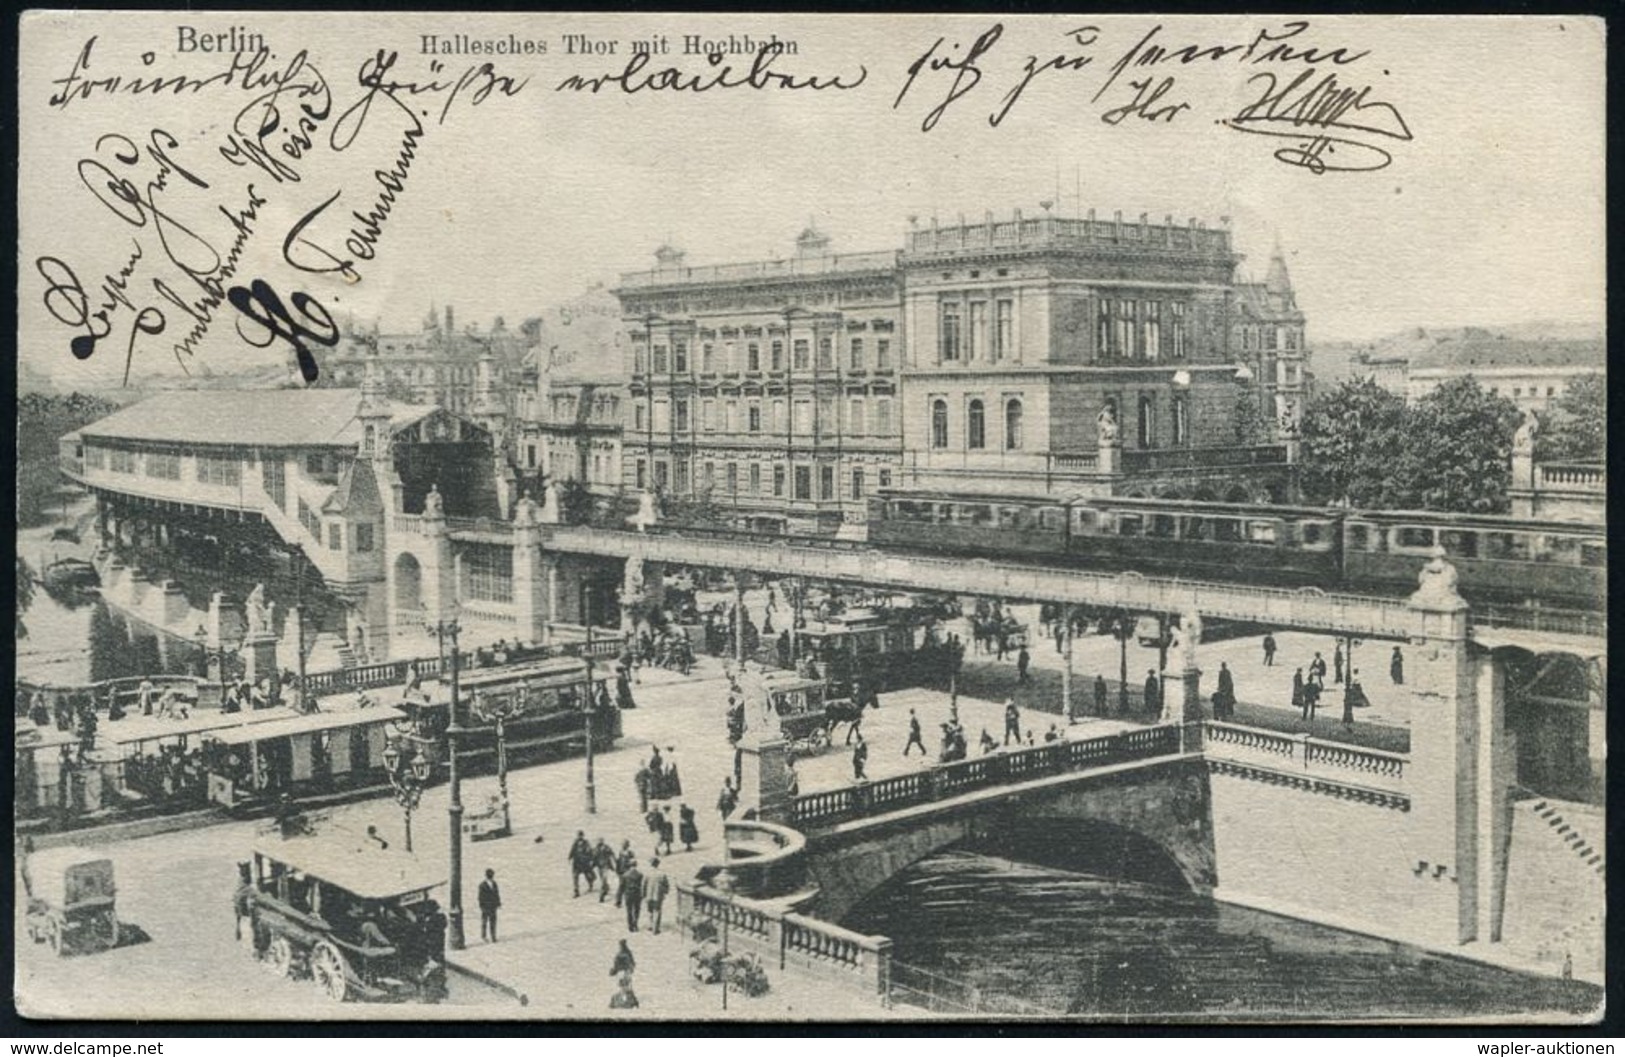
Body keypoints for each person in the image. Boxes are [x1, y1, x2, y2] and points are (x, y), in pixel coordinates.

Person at [645, 857, 671, 934]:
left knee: (650, 911)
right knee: (657, 911)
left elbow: (643, 884)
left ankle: (650, 925)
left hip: (649, 895)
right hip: (658, 896)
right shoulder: (662, 874)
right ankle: (655, 929)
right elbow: (666, 885)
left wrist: (643, 894)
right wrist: (665, 892)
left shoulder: (647, 873)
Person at [568, 831, 595, 898]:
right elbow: (572, 850)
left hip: (584, 863)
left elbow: (590, 851)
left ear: (583, 836)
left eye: (581, 835)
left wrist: (590, 859)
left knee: (587, 875)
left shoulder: (586, 843)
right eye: (579, 835)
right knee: (575, 877)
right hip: (576, 863)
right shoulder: (575, 843)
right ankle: (576, 891)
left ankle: (590, 885)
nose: (579, 837)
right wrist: (570, 857)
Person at [477, 868, 501, 943]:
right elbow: (480, 897)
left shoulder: (494, 884)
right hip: (485, 907)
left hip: (493, 906)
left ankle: (493, 936)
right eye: (490, 875)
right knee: (484, 922)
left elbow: (497, 894)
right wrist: (481, 906)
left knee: (493, 921)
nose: (491, 876)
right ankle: (484, 936)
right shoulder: (482, 885)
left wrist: (498, 903)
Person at [621, 859, 645, 932]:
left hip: (628, 894)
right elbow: (641, 885)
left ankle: (630, 926)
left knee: (629, 911)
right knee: (636, 910)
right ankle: (635, 923)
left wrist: (619, 898)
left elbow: (621, 886)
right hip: (637, 893)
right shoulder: (640, 874)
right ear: (636, 865)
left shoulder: (625, 875)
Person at [594, 838, 617, 902]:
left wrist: (615, 861)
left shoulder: (606, 848)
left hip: (605, 866)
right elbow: (593, 856)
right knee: (602, 880)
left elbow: (612, 854)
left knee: (603, 880)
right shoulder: (596, 849)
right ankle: (606, 888)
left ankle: (602, 896)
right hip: (599, 867)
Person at [614, 840, 636, 908]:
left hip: (627, 872)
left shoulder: (630, 853)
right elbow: (617, 862)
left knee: (625, 887)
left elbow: (633, 862)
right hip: (622, 872)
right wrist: (617, 871)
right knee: (621, 887)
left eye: (625, 845)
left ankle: (624, 901)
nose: (624, 846)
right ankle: (618, 901)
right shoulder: (620, 853)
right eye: (623, 845)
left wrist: (631, 864)